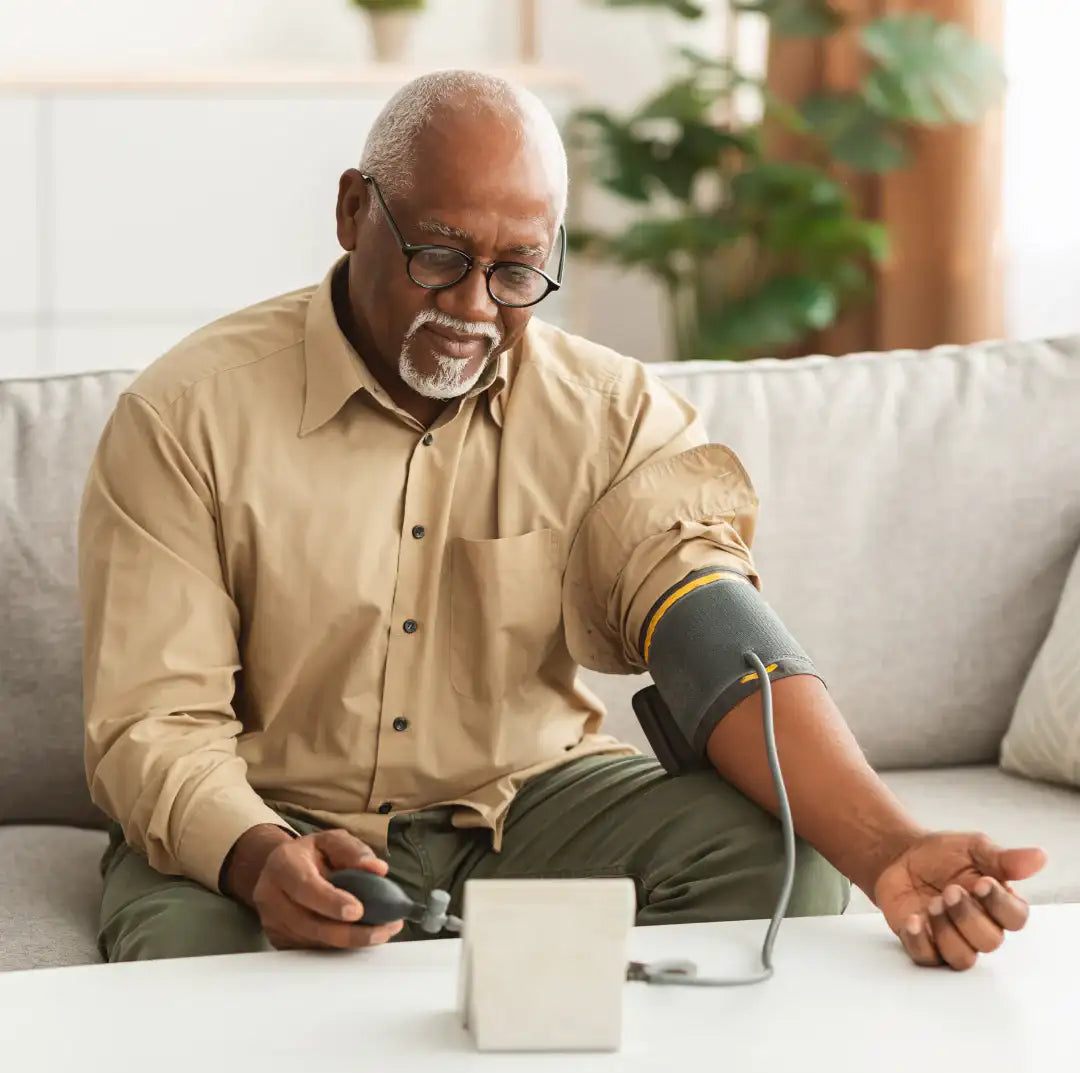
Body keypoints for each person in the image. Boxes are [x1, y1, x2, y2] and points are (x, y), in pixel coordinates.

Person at [79, 70, 1044, 971]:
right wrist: (254, 858)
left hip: (525, 807)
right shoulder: (187, 415)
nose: (471, 305)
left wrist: (891, 846)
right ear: (352, 212)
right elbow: (153, 724)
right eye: (439, 255)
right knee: (185, 962)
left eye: (516, 270)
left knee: (779, 858)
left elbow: (712, 640)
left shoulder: (614, 414)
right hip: (269, 810)